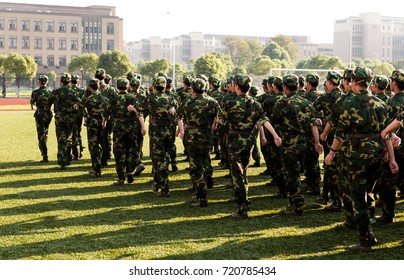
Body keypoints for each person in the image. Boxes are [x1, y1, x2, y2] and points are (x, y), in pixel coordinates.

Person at [324, 66, 398, 252]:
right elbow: (386, 134)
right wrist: (391, 157)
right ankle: (369, 230)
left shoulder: (350, 103)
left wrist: (332, 153)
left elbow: (340, 133)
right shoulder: (381, 103)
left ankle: (365, 241)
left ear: (353, 82)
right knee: (370, 193)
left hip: (357, 157)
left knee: (358, 198)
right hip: (377, 155)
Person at [220, 73, 282, 218]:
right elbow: (264, 120)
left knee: (237, 175)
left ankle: (242, 207)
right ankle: (244, 201)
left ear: (236, 86)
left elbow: (221, 121)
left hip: (235, 140)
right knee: (244, 172)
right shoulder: (255, 103)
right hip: (248, 140)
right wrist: (275, 135)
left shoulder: (229, 103)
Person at [272, 74, 323, 215]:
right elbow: (313, 124)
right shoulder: (306, 102)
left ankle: (296, 205)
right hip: (305, 143)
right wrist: (317, 142)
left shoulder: (282, 103)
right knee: (303, 170)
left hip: (289, 144)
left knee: (292, 174)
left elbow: (274, 120)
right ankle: (302, 198)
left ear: (284, 87)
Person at [177, 78, 220, 207]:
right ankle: (208, 174)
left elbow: (177, 115)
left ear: (193, 89)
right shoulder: (212, 102)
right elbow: (219, 118)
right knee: (205, 157)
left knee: (195, 167)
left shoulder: (187, 102)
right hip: (207, 134)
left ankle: (201, 196)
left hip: (192, 136)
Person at [134, 76, 179, 197]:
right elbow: (176, 113)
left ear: (154, 86)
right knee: (165, 156)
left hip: (157, 132)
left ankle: (164, 189)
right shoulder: (171, 98)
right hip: (169, 131)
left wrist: (132, 109)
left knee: (157, 159)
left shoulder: (150, 99)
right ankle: (157, 182)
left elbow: (138, 108)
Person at [376, 69, 404, 222]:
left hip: (395, 147)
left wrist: (387, 150)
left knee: (388, 180)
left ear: (394, 83)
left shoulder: (391, 103)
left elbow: (385, 128)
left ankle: (388, 213)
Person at [108, 78, 145, 185]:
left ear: (117, 87)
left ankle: (120, 178)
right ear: (128, 87)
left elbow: (106, 112)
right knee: (129, 150)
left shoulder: (113, 99)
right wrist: (143, 126)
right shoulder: (133, 98)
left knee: (118, 152)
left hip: (118, 127)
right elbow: (139, 113)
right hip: (131, 127)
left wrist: (104, 122)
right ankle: (129, 172)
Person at [46, 73, 80, 169]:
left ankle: (62, 162)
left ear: (61, 81)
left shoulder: (56, 92)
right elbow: (79, 103)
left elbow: (48, 105)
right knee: (69, 139)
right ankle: (68, 159)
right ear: (69, 81)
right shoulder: (74, 92)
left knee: (61, 140)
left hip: (60, 118)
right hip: (71, 118)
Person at [80, 78, 109, 177]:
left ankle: (96, 169)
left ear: (89, 87)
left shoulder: (87, 98)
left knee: (93, 146)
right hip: (101, 122)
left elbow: (80, 106)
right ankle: (99, 165)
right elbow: (107, 111)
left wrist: (85, 116)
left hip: (92, 122)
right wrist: (104, 121)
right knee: (101, 144)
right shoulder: (104, 99)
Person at [30, 75, 53, 162]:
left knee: (41, 135)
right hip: (48, 114)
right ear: (46, 82)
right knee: (45, 132)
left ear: (39, 82)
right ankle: (45, 145)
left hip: (40, 114)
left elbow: (32, 103)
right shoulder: (50, 92)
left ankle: (45, 156)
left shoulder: (35, 92)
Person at [70, 74, 85, 160]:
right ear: (78, 81)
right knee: (78, 132)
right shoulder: (82, 91)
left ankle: (75, 153)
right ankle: (80, 150)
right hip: (79, 114)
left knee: (72, 134)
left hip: (70, 115)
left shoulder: (67, 91)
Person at [248, 85, 262, 167]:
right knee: (254, 142)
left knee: (253, 143)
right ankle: (257, 159)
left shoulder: (251, 101)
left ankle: (257, 159)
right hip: (257, 125)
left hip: (253, 125)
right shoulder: (257, 101)